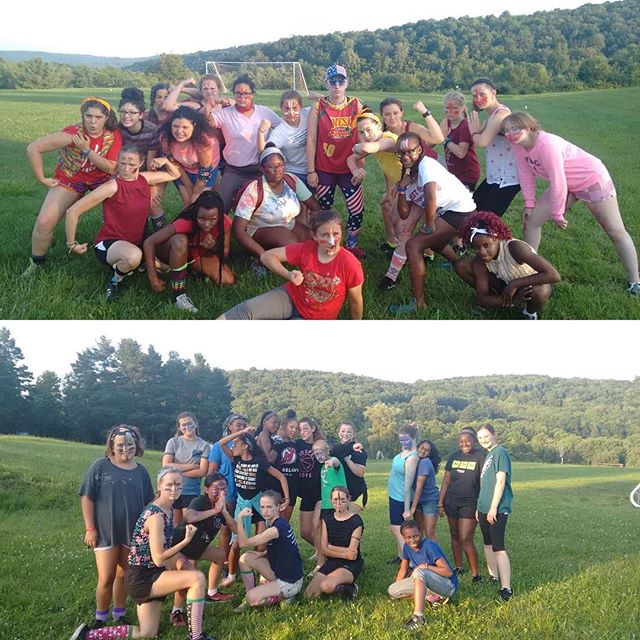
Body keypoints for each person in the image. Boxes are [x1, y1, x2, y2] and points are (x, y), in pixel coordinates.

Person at [70, 467, 216, 640]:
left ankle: (88, 635)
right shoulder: (156, 516)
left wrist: (181, 562)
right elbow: (159, 558)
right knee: (197, 578)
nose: (174, 488)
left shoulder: (167, 510)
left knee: (146, 633)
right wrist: (186, 540)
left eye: (178, 484)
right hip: (142, 578)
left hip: (150, 574)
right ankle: (196, 636)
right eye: (169, 484)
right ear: (159, 486)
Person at [503, 111, 640, 295]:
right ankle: (528, 271)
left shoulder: (547, 145)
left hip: (591, 180)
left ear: (529, 127)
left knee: (615, 231)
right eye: (507, 130)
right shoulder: (518, 146)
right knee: (531, 220)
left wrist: (558, 214)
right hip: (567, 184)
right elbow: (526, 174)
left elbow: (558, 180)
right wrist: (529, 204)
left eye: (515, 128)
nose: (511, 133)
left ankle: (635, 281)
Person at [64, 146, 179, 303]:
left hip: (136, 242)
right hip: (109, 243)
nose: (125, 168)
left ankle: (133, 265)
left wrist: (165, 160)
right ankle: (115, 280)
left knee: (165, 267)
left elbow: (174, 174)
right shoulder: (112, 186)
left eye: (131, 164)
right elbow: (73, 211)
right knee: (133, 257)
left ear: (141, 163)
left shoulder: (144, 179)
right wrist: (72, 244)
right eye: (122, 162)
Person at [25, 97, 122, 275]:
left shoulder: (113, 135)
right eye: (89, 116)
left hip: (102, 178)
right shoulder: (72, 134)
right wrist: (41, 178)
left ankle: (124, 252)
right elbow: (33, 148)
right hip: (71, 178)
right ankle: (36, 263)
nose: (93, 122)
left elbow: (110, 167)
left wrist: (86, 149)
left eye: (99, 117)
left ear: (107, 118)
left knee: (127, 207)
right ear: (82, 116)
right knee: (44, 221)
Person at [218, 210, 364, 320]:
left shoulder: (350, 264)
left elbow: (356, 301)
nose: (332, 241)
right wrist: (288, 274)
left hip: (316, 318)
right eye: (325, 235)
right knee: (245, 310)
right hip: (292, 297)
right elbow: (268, 256)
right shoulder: (306, 249)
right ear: (314, 236)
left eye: (336, 234)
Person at [389, 132, 476, 315]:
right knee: (434, 242)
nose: (405, 156)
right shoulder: (412, 174)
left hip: (460, 211)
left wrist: (429, 224)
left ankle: (418, 304)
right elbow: (404, 214)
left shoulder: (427, 165)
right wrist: (402, 189)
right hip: (451, 212)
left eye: (410, 151)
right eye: (400, 153)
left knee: (413, 246)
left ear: (420, 150)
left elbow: (430, 197)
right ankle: (457, 263)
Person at [78, 425, 154, 631]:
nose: (125, 448)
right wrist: (90, 528)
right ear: (112, 445)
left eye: (129, 444)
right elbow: (87, 497)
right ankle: (100, 617)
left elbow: (149, 502)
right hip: (105, 531)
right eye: (120, 444)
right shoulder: (100, 466)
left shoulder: (141, 471)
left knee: (124, 575)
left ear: (136, 444)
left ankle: (119, 613)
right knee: (106, 577)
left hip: (132, 534)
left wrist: (149, 528)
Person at [306, 64, 366, 257]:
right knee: (324, 210)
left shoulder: (356, 105)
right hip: (325, 168)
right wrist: (311, 170)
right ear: (327, 84)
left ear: (347, 83)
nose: (337, 85)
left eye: (341, 81)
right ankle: (325, 242)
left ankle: (351, 245)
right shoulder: (318, 106)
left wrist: (360, 166)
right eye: (333, 82)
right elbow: (311, 139)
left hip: (349, 168)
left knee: (356, 209)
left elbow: (363, 138)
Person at [455, 210, 561, 319]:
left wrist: (514, 284)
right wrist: (515, 300)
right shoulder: (480, 260)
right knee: (461, 264)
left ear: (497, 239)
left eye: (487, 245)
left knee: (540, 291)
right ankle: (502, 299)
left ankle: (529, 312)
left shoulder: (515, 248)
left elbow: (553, 275)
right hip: (504, 282)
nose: (482, 252)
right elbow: (482, 299)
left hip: (531, 283)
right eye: (476, 248)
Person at [143, 191, 234, 313]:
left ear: (219, 216)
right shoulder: (185, 222)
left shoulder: (225, 223)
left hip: (194, 255)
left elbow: (225, 251)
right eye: (201, 219)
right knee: (180, 240)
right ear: (195, 214)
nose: (207, 224)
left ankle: (185, 270)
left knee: (227, 280)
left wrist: (213, 247)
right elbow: (149, 243)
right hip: (170, 251)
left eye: (212, 219)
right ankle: (178, 296)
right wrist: (153, 280)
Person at [231, 145, 319, 266]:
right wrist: (263, 256)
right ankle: (261, 257)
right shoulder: (254, 189)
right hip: (260, 228)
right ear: (262, 169)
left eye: (280, 165)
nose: (277, 170)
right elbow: (238, 230)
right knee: (291, 244)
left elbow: (314, 206)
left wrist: (319, 229)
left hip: (288, 224)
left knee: (314, 242)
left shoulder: (291, 180)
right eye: (271, 166)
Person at [378, 97, 444, 254]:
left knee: (423, 211)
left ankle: (428, 252)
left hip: (428, 175)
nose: (392, 117)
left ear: (402, 113)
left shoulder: (411, 127)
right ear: (382, 116)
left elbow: (439, 139)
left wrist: (424, 112)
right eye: (387, 114)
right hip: (407, 178)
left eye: (395, 113)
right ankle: (392, 242)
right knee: (386, 203)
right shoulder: (383, 136)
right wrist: (389, 191)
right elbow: (386, 165)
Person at [209, 74, 281, 212]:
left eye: (246, 94)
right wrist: (212, 102)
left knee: (265, 208)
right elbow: (205, 122)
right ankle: (223, 231)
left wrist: (272, 146)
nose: (242, 97)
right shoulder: (226, 113)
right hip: (234, 170)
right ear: (234, 94)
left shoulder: (263, 112)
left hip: (260, 169)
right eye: (238, 93)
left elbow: (283, 128)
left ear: (252, 94)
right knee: (220, 207)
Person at [170, 473, 236, 610]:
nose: (221, 492)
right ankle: (176, 611)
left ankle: (212, 593)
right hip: (180, 546)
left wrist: (224, 512)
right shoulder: (200, 501)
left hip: (198, 547)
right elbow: (189, 517)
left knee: (220, 555)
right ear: (206, 489)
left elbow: (235, 529)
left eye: (224, 488)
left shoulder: (223, 507)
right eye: (216, 488)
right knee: (188, 577)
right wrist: (215, 510)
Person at [235, 490, 304, 609]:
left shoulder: (274, 530)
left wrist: (240, 518)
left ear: (279, 507)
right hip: (282, 572)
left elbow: (243, 543)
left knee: (251, 598)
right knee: (246, 558)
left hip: (290, 581)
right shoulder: (279, 523)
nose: (265, 511)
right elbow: (285, 547)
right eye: (262, 507)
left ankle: (284, 596)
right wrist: (264, 553)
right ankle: (253, 592)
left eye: (269, 507)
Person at [387, 519, 458, 630]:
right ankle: (432, 598)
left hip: (447, 585)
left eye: (415, 536)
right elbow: (403, 569)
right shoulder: (406, 547)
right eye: (408, 538)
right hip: (425, 581)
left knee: (419, 572)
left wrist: (426, 566)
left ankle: (419, 618)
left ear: (420, 533)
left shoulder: (429, 546)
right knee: (393, 590)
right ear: (403, 538)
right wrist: (398, 587)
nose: (413, 540)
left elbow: (448, 571)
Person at [468, 78, 520, 217]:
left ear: (493, 93)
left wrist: (474, 131)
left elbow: (482, 142)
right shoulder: (491, 117)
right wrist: (477, 131)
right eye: (474, 95)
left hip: (507, 179)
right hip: (494, 177)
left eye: (482, 94)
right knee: (471, 212)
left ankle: (499, 239)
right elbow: (480, 135)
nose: (478, 99)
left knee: (485, 223)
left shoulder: (501, 115)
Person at [437, 427, 484, 582]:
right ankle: (459, 567)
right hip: (451, 501)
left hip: (470, 502)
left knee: (466, 537)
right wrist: (440, 503)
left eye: (468, 441)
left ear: (473, 441)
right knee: (455, 535)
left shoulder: (480, 456)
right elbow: (446, 481)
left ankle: (475, 574)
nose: (464, 444)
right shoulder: (454, 457)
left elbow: (485, 482)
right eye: (461, 441)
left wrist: (484, 503)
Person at [207, 414, 248, 590]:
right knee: (225, 529)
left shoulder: (247, 445)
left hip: (243, 493)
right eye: (238, 425)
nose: (241, 428)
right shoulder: (219, 446)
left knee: (239, 529)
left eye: (243, 425)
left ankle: (234, 562)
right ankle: (224, 563)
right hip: (227, 493)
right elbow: (212, 471)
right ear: (229, 426)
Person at [304, 486, 363, 600]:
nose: (338, 503)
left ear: (348, 500)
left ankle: (350, 588)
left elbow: (352, 553)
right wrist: (343, 553)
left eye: (342, 500)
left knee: (326, 586)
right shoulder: (327, 519)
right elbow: (324, 549)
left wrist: (331, 548)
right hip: (333, 561)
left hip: (351, 563)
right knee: (309, 595)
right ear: (331, 501)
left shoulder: (356, 521)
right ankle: (334, 578)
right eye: (335, 500)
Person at [476, 423, 514, 602]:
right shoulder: (488, 455)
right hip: (483, 507)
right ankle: (493, 576)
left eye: (486, 436)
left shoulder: (500, 453)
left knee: (498, 547)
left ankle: (506, 588)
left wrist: (493, 508)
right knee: (487, 544)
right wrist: (480, 507)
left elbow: (500, 481)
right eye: (480, 438)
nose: (484, 440)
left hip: (496, 508)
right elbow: (485, 484)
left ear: (494, 434)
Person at [159, 106, 219, 206]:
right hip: (182, 169)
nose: (179, 131)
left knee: (199, 204)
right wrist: (189, 187)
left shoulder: (204, 141)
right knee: (188, 203)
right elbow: (173, 161)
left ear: (194, 125)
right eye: (175, 126)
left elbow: (205, 171)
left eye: (185, 127)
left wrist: (196, 193)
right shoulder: (165, 137)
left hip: (205, 171)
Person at [162, 412, 211, 531]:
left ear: (196, 424)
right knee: (173, 527)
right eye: (183, 425)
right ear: (179, 427)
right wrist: (191, 466)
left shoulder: (204, 445)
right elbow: (166, 465)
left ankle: (187, 549)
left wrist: (176, 471)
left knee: (188, 526)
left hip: (191, 491)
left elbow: (202, 472)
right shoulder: (173, 442)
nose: (187, 427)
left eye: (190, 423)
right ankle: (174, 549)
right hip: (172, 489)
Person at [258, 90, 311, 185]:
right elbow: (265, 153)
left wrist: (319, 97)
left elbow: (330, 105)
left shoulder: (307, 114)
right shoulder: (280, 132)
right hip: (295, 172)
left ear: (301, 107)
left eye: (295, 108)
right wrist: (261, 132)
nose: (291, 112)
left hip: (313, 168)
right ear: (281, 108)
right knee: (301, 199)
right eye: (287, 108)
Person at [387, 424, 420, 563]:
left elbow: (407, 485)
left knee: (398, 530)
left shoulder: (412, 457)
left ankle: (410, 561)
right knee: (397, 529)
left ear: (412, 438)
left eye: (405, 439)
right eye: (401, 439)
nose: (403, 442)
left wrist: (407, 509)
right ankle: (401, 557)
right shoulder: (403, 452)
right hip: (394, 496)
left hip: (402, 498)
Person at [296, 417, 325, 550]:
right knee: (305, 532)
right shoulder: (297, 445)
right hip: (306, 495)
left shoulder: (320, 444)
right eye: (300, 429)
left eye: (305, 428)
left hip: (320, 494)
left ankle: (324, 556)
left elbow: (334, 456)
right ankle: (324, 551)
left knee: (318, 527)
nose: (302, 432)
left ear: (313, 428)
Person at [408, 439, 441, 541]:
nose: (423, 451)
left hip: (429, 500)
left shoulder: (425, 462)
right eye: (421, 448)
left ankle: (436, 556)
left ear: (429, 454)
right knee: (419, 532)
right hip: (419, 500)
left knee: (429, 532)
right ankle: (422, 555)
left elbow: (419, 487)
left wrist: (412, 508)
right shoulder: (415, 460)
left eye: (426, 450)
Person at [270, 410, 300, 522]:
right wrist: (278, 441)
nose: (294, 430)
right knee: (274, 521)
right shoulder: (277, 442)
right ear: (284, 426)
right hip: (277, 486)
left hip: (292, 486)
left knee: (284, 523)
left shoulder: (297, 445)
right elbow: (269, 460)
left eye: (297, 428)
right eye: (291, 427)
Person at [331, 422, 368, 508]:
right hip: (341, 493)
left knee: (350, 519)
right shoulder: (336, 449)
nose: (345, 434)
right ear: (338, 432)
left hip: (357, 493)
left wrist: (347, 460)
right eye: (343, 431)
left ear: (353, 434)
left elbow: (360, 473)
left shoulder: (358, 450)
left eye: (349, 432)